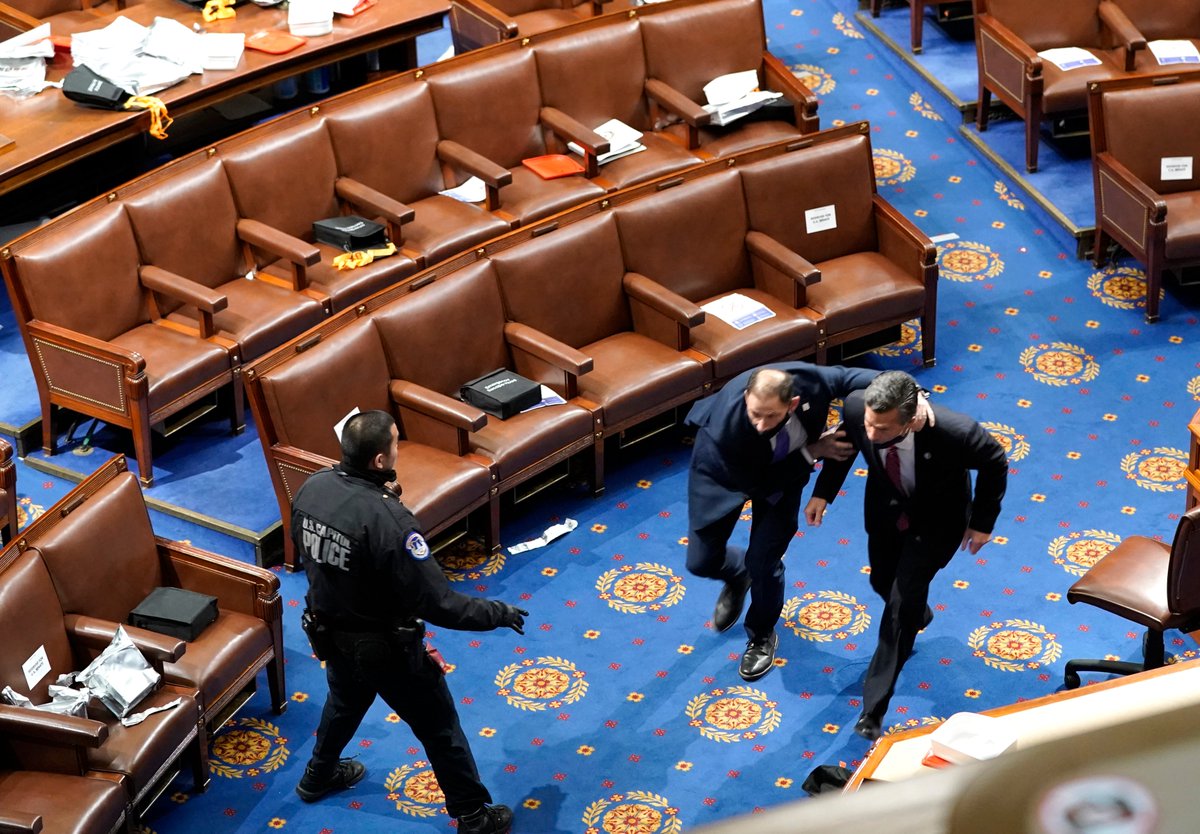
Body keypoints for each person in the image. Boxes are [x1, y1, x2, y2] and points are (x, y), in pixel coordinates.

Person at [291, 409, 526, 834]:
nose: (399, 446)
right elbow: (440, 604)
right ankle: (473, 816)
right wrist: (499, 613)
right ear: (380, 461)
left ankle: (318, 775)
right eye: (396, 442)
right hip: (386, 648)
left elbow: (316, 554)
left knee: (343, 703)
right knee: (439, 728)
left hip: (328, 630)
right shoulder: (391, 521)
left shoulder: (312, 487)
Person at [805, 371, 1008, 741]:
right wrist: (824, 491)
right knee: (881, 579)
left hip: (937, 524)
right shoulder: (857, 408)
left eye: (882, 430)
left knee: (899, 607)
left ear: (912, 419)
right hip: (885, 512)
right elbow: (847, 444)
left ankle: (873, 708)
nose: (872, 435)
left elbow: (995, 461)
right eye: (869, 424)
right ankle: (919, 612)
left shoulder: (955, 431)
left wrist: (982, 522)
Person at [685, 363, 886, 682]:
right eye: (755, 414)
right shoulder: (728, 427)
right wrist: (813, 452)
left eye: (771, 415)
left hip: (784, 478)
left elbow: (854, 378)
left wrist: (911, 394)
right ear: (747, 397)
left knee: (764, 562)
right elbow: (758, 481)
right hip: (723, 477)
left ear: (792, 403)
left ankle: (762, 633)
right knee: (700, 561)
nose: (762, 424)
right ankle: (737, 574)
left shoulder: (809, 382)